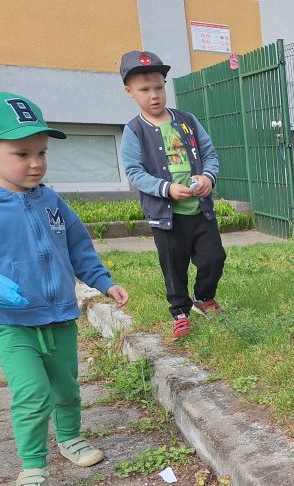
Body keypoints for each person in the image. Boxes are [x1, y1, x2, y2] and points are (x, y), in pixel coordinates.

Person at [0, 92, 129, 486]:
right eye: (22, 154)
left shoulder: (50, 200)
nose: (36, 163)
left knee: (66, 388)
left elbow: (78, 247)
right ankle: (33, 467)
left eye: (41, 152)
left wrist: (103, 281)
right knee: (32, 394)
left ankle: (70, 437)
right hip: (12, 323)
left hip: (59, 316)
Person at [119, 50, 227, 341]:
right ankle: (180, 312)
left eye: (158, 87)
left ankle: (204, 297)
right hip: (167, 218)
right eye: (144, 89)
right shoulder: (134, 131)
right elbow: (134, 172)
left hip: (200, 210)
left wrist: (207, 177)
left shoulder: (187, 120)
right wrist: (166, 189)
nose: (154, 95)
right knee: (174, 266)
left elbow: (209, 154)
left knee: (214, 258)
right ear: (130, 91)